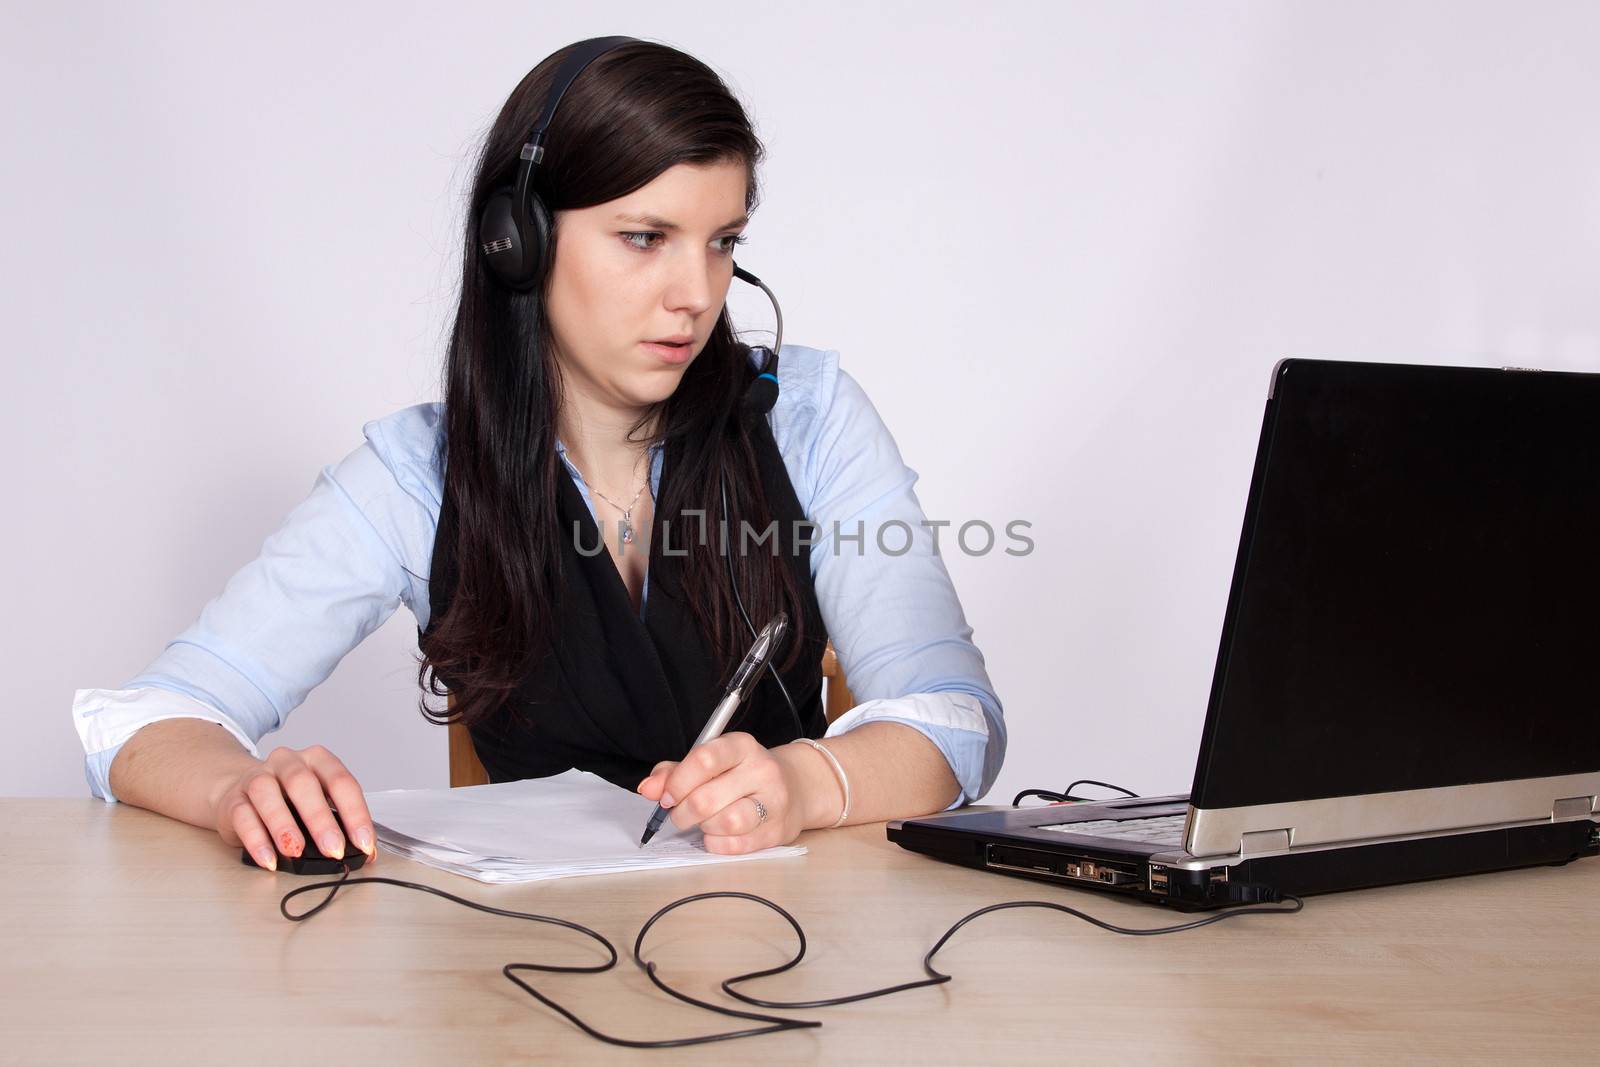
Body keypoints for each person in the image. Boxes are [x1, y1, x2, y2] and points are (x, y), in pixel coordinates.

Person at [71, 37, 1005, 872]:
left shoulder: (808, 416)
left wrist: (806, 783)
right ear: (516, 243)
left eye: (723, 243)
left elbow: (955, 721)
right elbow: (142, 723)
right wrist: (238, 788)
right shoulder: (417, 474)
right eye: (646, 238)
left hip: (784, 955)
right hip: (517, 978)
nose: (696, 293)